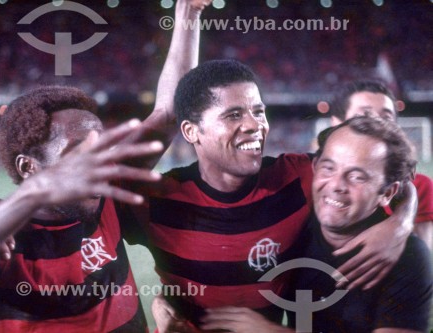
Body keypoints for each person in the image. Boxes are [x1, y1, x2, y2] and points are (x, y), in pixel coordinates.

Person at [0, 1, 210, 331]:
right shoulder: (4, 241)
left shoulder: (106, 196)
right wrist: (28, 198)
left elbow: (166, 114)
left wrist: (188, 14)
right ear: (28, 168)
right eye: (78, 153)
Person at [119, 60, 417, 332]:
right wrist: (159, 302)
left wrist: (400, 222)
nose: (254, 125)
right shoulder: (156, 199)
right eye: (234, 114)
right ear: (192, 131)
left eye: (258, 111)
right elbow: (88, 215)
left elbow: (386, 175)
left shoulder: (298, 177)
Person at [200, 116, 432, 333]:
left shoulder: (406, 257)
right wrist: (167, 302)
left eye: (357, 176)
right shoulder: (292, 224)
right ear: (314, 167)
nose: (336, 184)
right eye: (328, 168)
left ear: (387, 193)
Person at [329, 79, 433, 250]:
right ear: (337, 123)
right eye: (364, 115)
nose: (377, 122)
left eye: (386, 117)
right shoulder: (318, 181)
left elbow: (424, 262)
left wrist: (402, 224)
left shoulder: (420, 186)